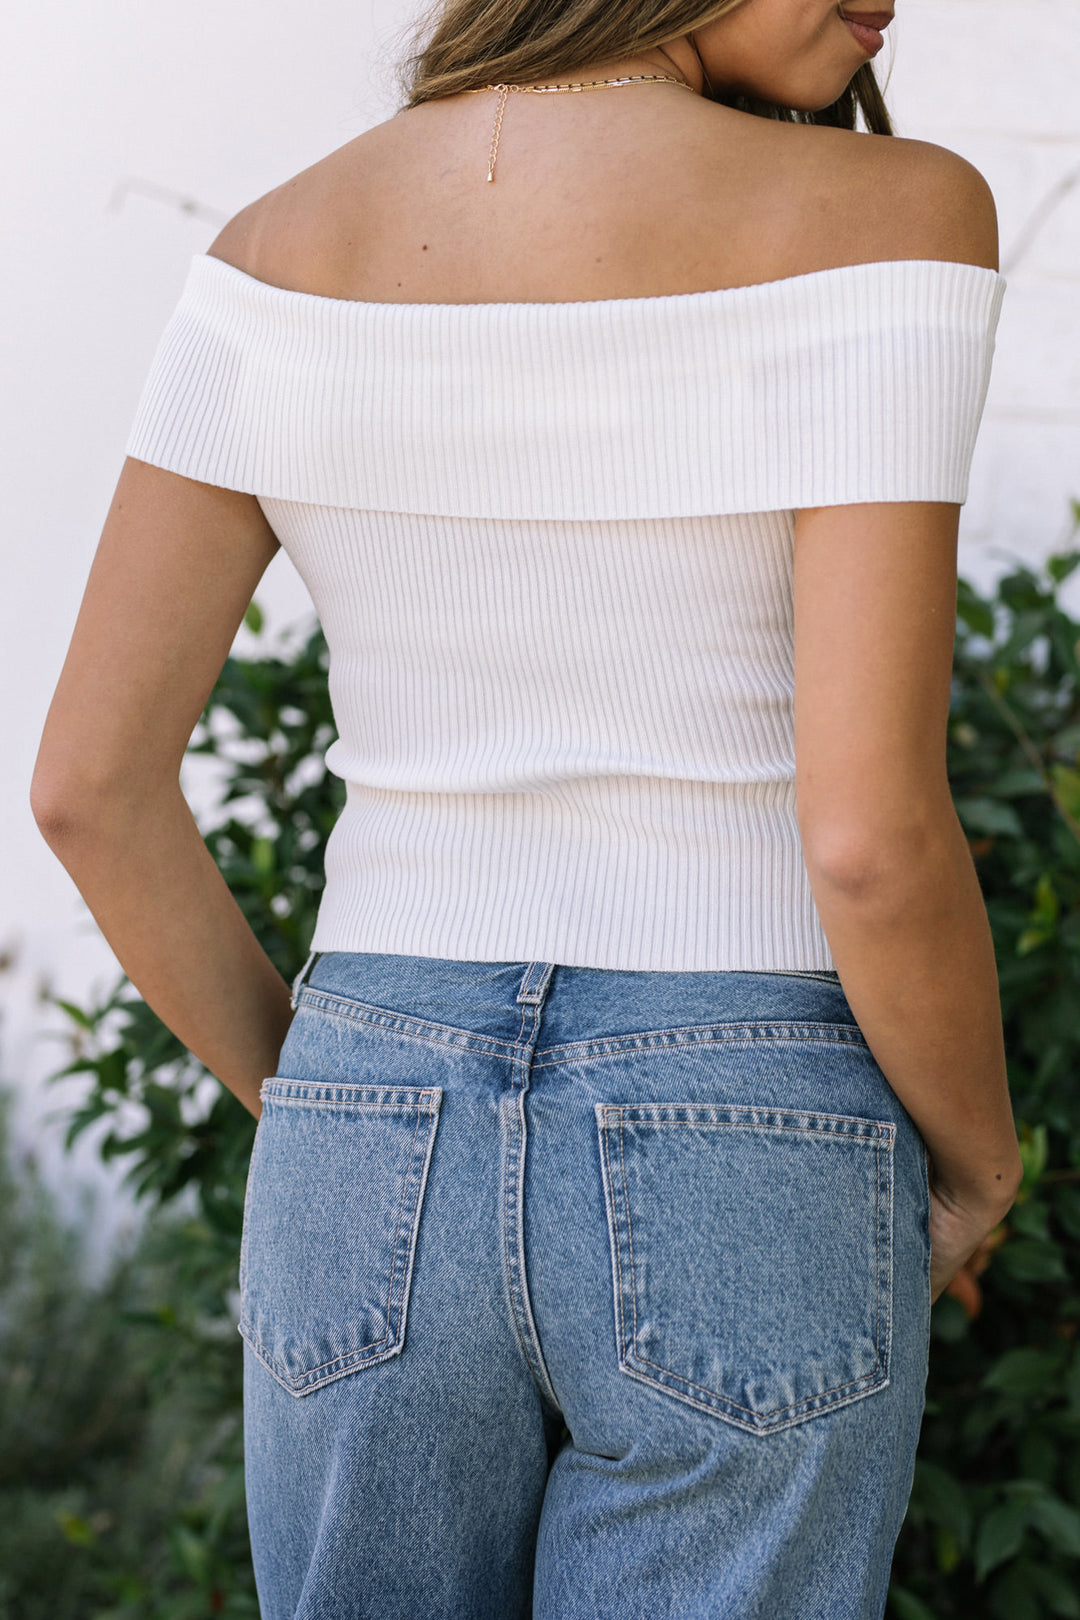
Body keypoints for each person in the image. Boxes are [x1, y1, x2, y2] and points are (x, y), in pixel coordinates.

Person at [32, 0, 1024, 1614]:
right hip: (751, 1099)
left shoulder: (277, 248)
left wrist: (330, 1104)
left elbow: (88, 787)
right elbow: (866, 837)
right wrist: (977, 1164)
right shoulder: (891, 211)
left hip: (368, 1109)